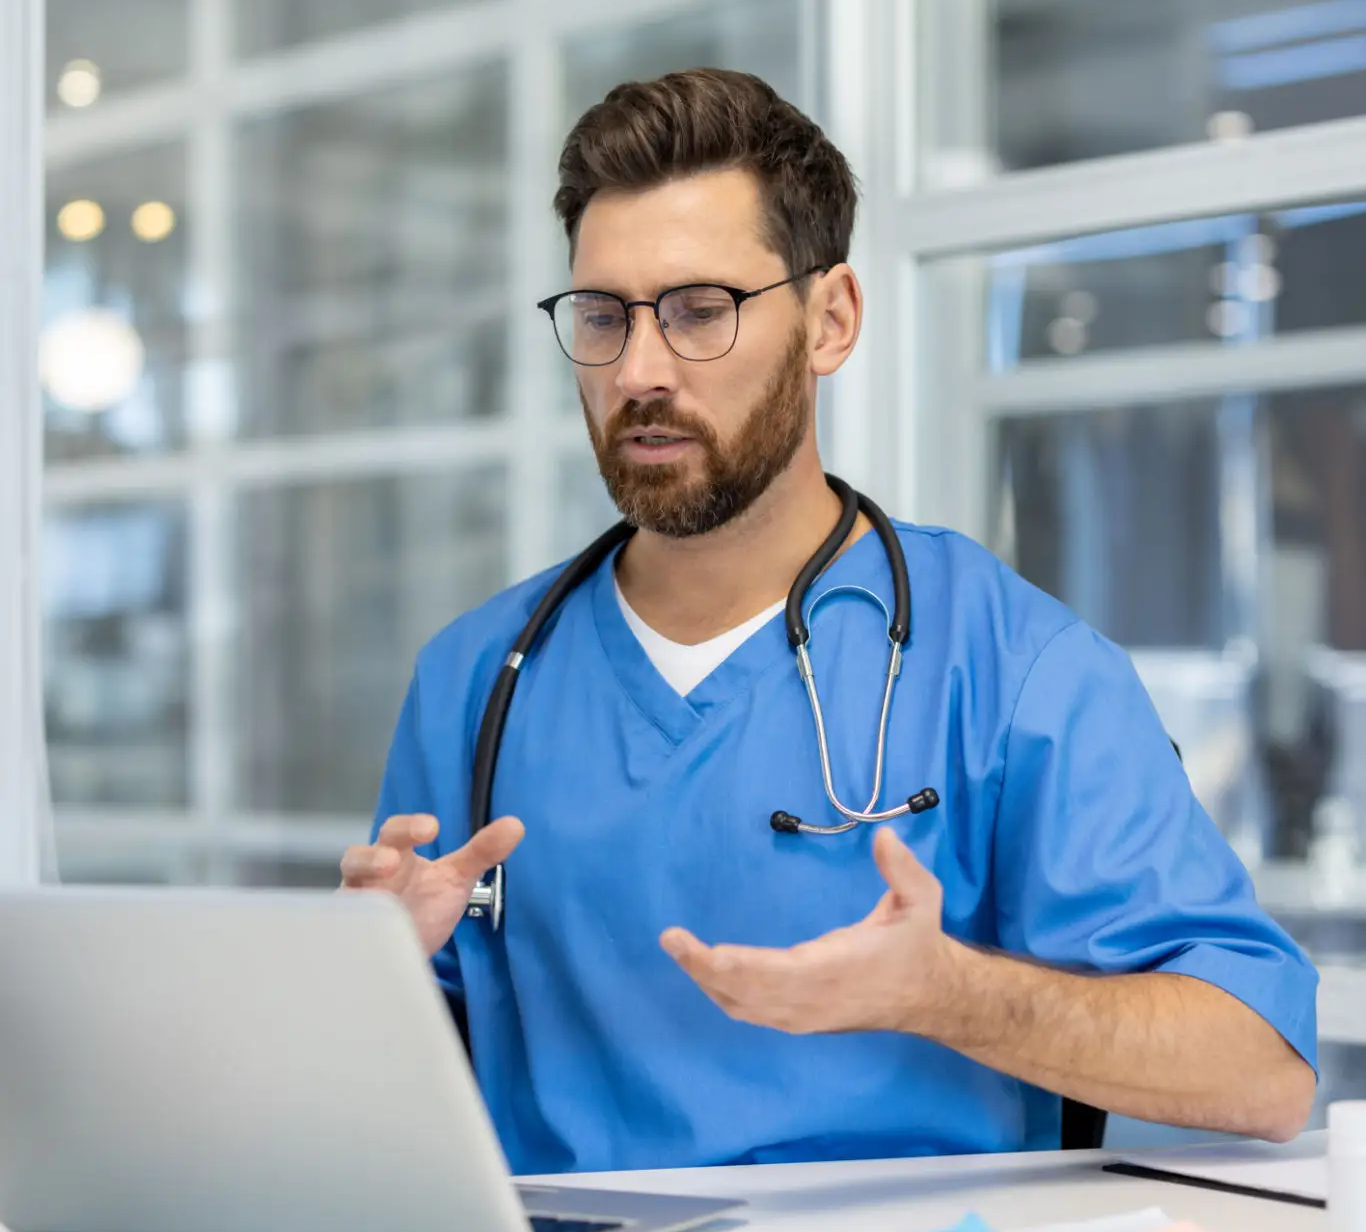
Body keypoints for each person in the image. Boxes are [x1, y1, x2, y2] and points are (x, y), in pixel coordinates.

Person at [341, 69, 1317, 1174]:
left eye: (700, 310)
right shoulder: (479, 678)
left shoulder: (1009, 667)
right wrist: (363, 980)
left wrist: (951, 993)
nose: (639, 370)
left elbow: (1261, 1068)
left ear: (831, 318)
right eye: (604, 316)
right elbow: (389, 1108)